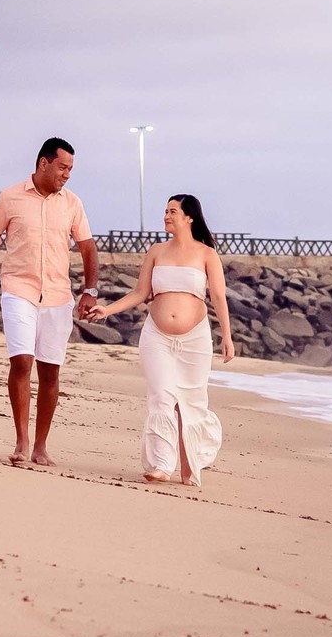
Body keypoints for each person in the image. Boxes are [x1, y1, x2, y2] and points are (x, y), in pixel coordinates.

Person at [0, 137, 99, 466]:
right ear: (44, 163)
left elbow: (88, 248)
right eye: (62, 167)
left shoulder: (72, 203)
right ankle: (22, 441)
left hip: (57, 296)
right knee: (22, 362)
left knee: (50, 371)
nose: (67, 174)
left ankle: (41, 446)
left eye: (71, 169)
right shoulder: (10, 197)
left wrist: (90, 290)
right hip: (18, 289)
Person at [88, 194, 234, 487]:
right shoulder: (156, 251)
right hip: (157, 336)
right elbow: (140, 293)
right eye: (165, 211)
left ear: (189, 217)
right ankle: (161, 465)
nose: (166, 216)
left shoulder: (207, 254)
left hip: (195, 339)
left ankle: (190, 463)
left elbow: (218, 297)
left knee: (192, 402)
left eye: (173, 211)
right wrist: (107, 309)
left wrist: (227, 336)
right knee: (161, 396)